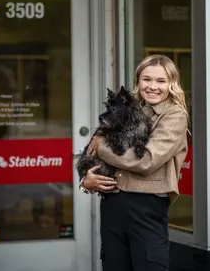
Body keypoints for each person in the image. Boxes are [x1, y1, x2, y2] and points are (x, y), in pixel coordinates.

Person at [79, 54, 189, 271]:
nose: (152, 87)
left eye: (161, 81)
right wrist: (85, 181)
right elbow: (91, 150)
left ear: (171, 84)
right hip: (113, 204)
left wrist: (102, 146)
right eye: (147, 79)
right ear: (138, 81)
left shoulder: (174, 116)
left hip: (146, 206)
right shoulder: (126, 107)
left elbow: (146, 160)